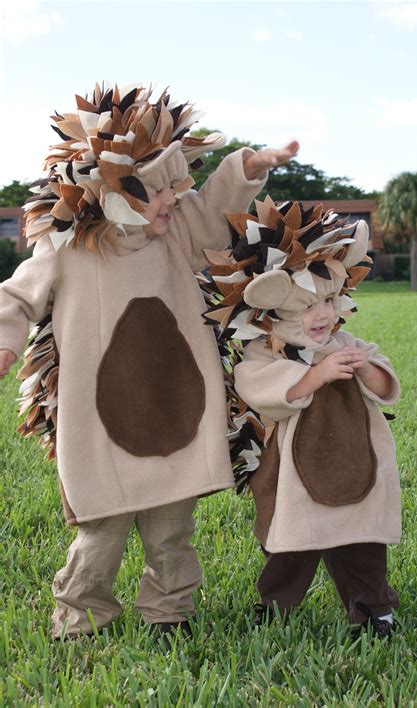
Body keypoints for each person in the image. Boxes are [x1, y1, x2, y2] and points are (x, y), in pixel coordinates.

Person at [0, 81, 298, 639]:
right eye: (159, 192)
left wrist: (248, 164)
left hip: (177, 405)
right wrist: (6, 340)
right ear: (112, 190)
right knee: (101, 532)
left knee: (171, 531)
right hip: (100, 419)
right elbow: (17, 294)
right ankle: (81, 617)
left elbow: (212, 207)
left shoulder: (175, 231)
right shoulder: (68, 250)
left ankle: (169, 613)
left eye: (175, 188)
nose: (173, 201)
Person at [204, 197, 401, 638]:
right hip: (292, 476)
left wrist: (366, 368)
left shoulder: (347, 343)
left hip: (356, 465)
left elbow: (387, 388)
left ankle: (374, 611)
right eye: (307, 307)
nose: (324, 315)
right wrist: (316, 376)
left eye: (330, 300)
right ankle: (274, 607)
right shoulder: (263, 351)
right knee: (289, 547)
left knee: (362, 545)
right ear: (272, 311)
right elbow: (258, 388)